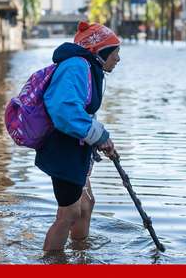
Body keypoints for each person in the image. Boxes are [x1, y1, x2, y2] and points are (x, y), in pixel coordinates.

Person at [36, 21, 121, 251]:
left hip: (77, 148)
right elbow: (64, 110)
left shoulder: (89, 68)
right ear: (100, 51)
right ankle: (51, 261)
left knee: (86, 204)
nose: (118, 58)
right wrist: (99, 135)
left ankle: (81, 253)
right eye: (115, 52)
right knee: (70, 213)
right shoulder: (76, 66)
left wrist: (100, 141)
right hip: (63, 150)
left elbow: (83, 111)